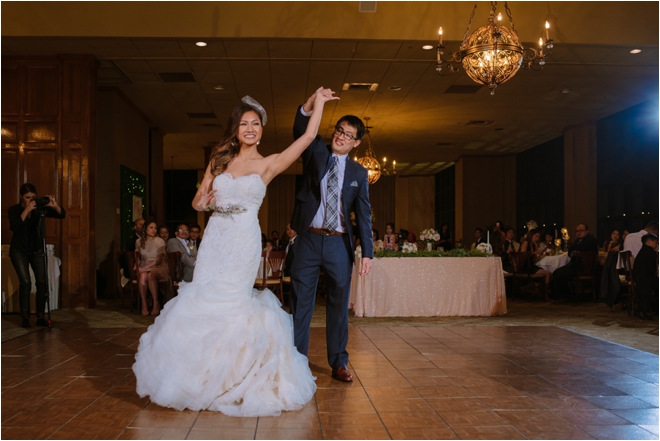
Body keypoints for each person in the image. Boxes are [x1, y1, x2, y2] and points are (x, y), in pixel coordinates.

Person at [133, 88, 337, 416]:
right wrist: (204, 202)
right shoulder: (219, 159)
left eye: (255, 123)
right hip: (215, 237)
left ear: (261, 130)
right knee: (203, 300)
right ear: (236, 129)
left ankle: (233, 378)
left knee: (232, 302)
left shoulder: (269, 164)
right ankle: (199, 379)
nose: (250, 128)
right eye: (244, 124)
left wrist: (318, 103)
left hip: (243, 239)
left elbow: (309, 137)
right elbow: (197, 200)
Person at [289, 90, 373, 384]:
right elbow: (301, 129)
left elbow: (363, 214)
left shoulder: (359, 173)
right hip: (309, 240)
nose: (341, 136)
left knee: (339, 306)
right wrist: (312, 104)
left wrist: (369, 253)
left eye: (348, 135)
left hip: (339, 243)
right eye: (339, 130)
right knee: (301, 304)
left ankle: (338, 362)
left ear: (356, 142)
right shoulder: (317, 153)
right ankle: (296, 361)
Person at [8, 183, 66, 328]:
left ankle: (40, 317)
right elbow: (15, 226)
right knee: (26, 282)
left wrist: (54, 206)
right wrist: (26, 210)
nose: (31, 200)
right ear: (21, 197)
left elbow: (62, 214)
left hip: (36, 250)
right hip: (19, 251)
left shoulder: (39, 209)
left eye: (33, 197)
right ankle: (25, 318)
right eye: (28, 198)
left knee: (42, 282)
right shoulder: (14, 209)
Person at [551, 223, 599, 301]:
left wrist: (573, 248)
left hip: (583, 267)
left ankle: (562, 296)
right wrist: (573, 248)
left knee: (559, 274)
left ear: (587, 231)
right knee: (557, 272)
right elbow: (571, 250)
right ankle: (564, 295)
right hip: (575, 266)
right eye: (577, 231)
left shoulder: (590, 239)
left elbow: (578, 247)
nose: (579, 232)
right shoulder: (577, 241)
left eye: (581, 230)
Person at [135, 220, 169, 316]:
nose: (153, 230)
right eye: (151, 227)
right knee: (142, 276)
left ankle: (155, 302)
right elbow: (137, 257)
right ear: (145, 229)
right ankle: (144, 304)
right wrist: (137, 267)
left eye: (155, 228)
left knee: (150, 274)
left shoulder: (159, 241)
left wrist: (144, 267)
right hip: (145, 266)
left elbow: (158, 260)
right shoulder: (138, 242)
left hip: (158, 266)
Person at [632, 233, 659, 320]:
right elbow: (652, 269)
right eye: (656, 242)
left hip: (640, 277)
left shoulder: (643, 250)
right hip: (645, 278)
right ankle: (649, 309)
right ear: (649, 242)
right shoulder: (650, 252)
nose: (657, 244)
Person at [520, 229, 553, 298]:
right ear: (531, 235)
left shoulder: (534, 245)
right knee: (547, 274)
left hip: (531, 265)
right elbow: (523, 254)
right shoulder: (526, 242)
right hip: (525, 266)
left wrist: (539, 255)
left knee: (548, 273)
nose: (537, 239)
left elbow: (534, 259)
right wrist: (534, 253)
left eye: (538, 237)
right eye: (536, 236)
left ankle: (544, 292)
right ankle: (545, 294)